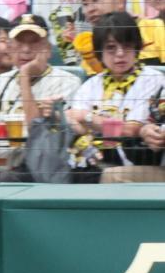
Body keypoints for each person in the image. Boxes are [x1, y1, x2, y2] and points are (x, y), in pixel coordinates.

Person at [64, 11, 165, 181]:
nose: (120, 54)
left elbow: (131, 130)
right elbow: (74, 124)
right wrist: (87, 122)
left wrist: (87, 117)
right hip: (94, 162)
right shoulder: (91, 85)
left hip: (140, 164)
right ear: (100, 51)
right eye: (111, 48)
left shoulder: (152, 80)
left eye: (126, 46)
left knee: (107, 176)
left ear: (137, 47)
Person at [0, 12, 82, 158]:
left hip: (38, 164)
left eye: (34, 42)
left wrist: (24, 76)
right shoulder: (0, 82)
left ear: (48, 49)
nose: (26, 50)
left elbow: (38, 135)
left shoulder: (67, 82)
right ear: (10, 49)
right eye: (19, 43)